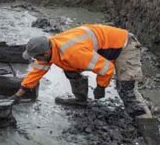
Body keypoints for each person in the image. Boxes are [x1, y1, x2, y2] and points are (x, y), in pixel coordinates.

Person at [13, 24, 145, 116]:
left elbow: (106, 68)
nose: (35, 59)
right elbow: (36, 73)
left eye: (35, 57)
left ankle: (140, 119)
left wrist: (101, 87)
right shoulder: (50, 47)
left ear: (45, 53)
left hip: (124, 45)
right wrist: (18, 94)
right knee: (69, 68)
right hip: (103, 48)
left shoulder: (72, 52)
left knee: (126, 87)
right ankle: (80, 99)